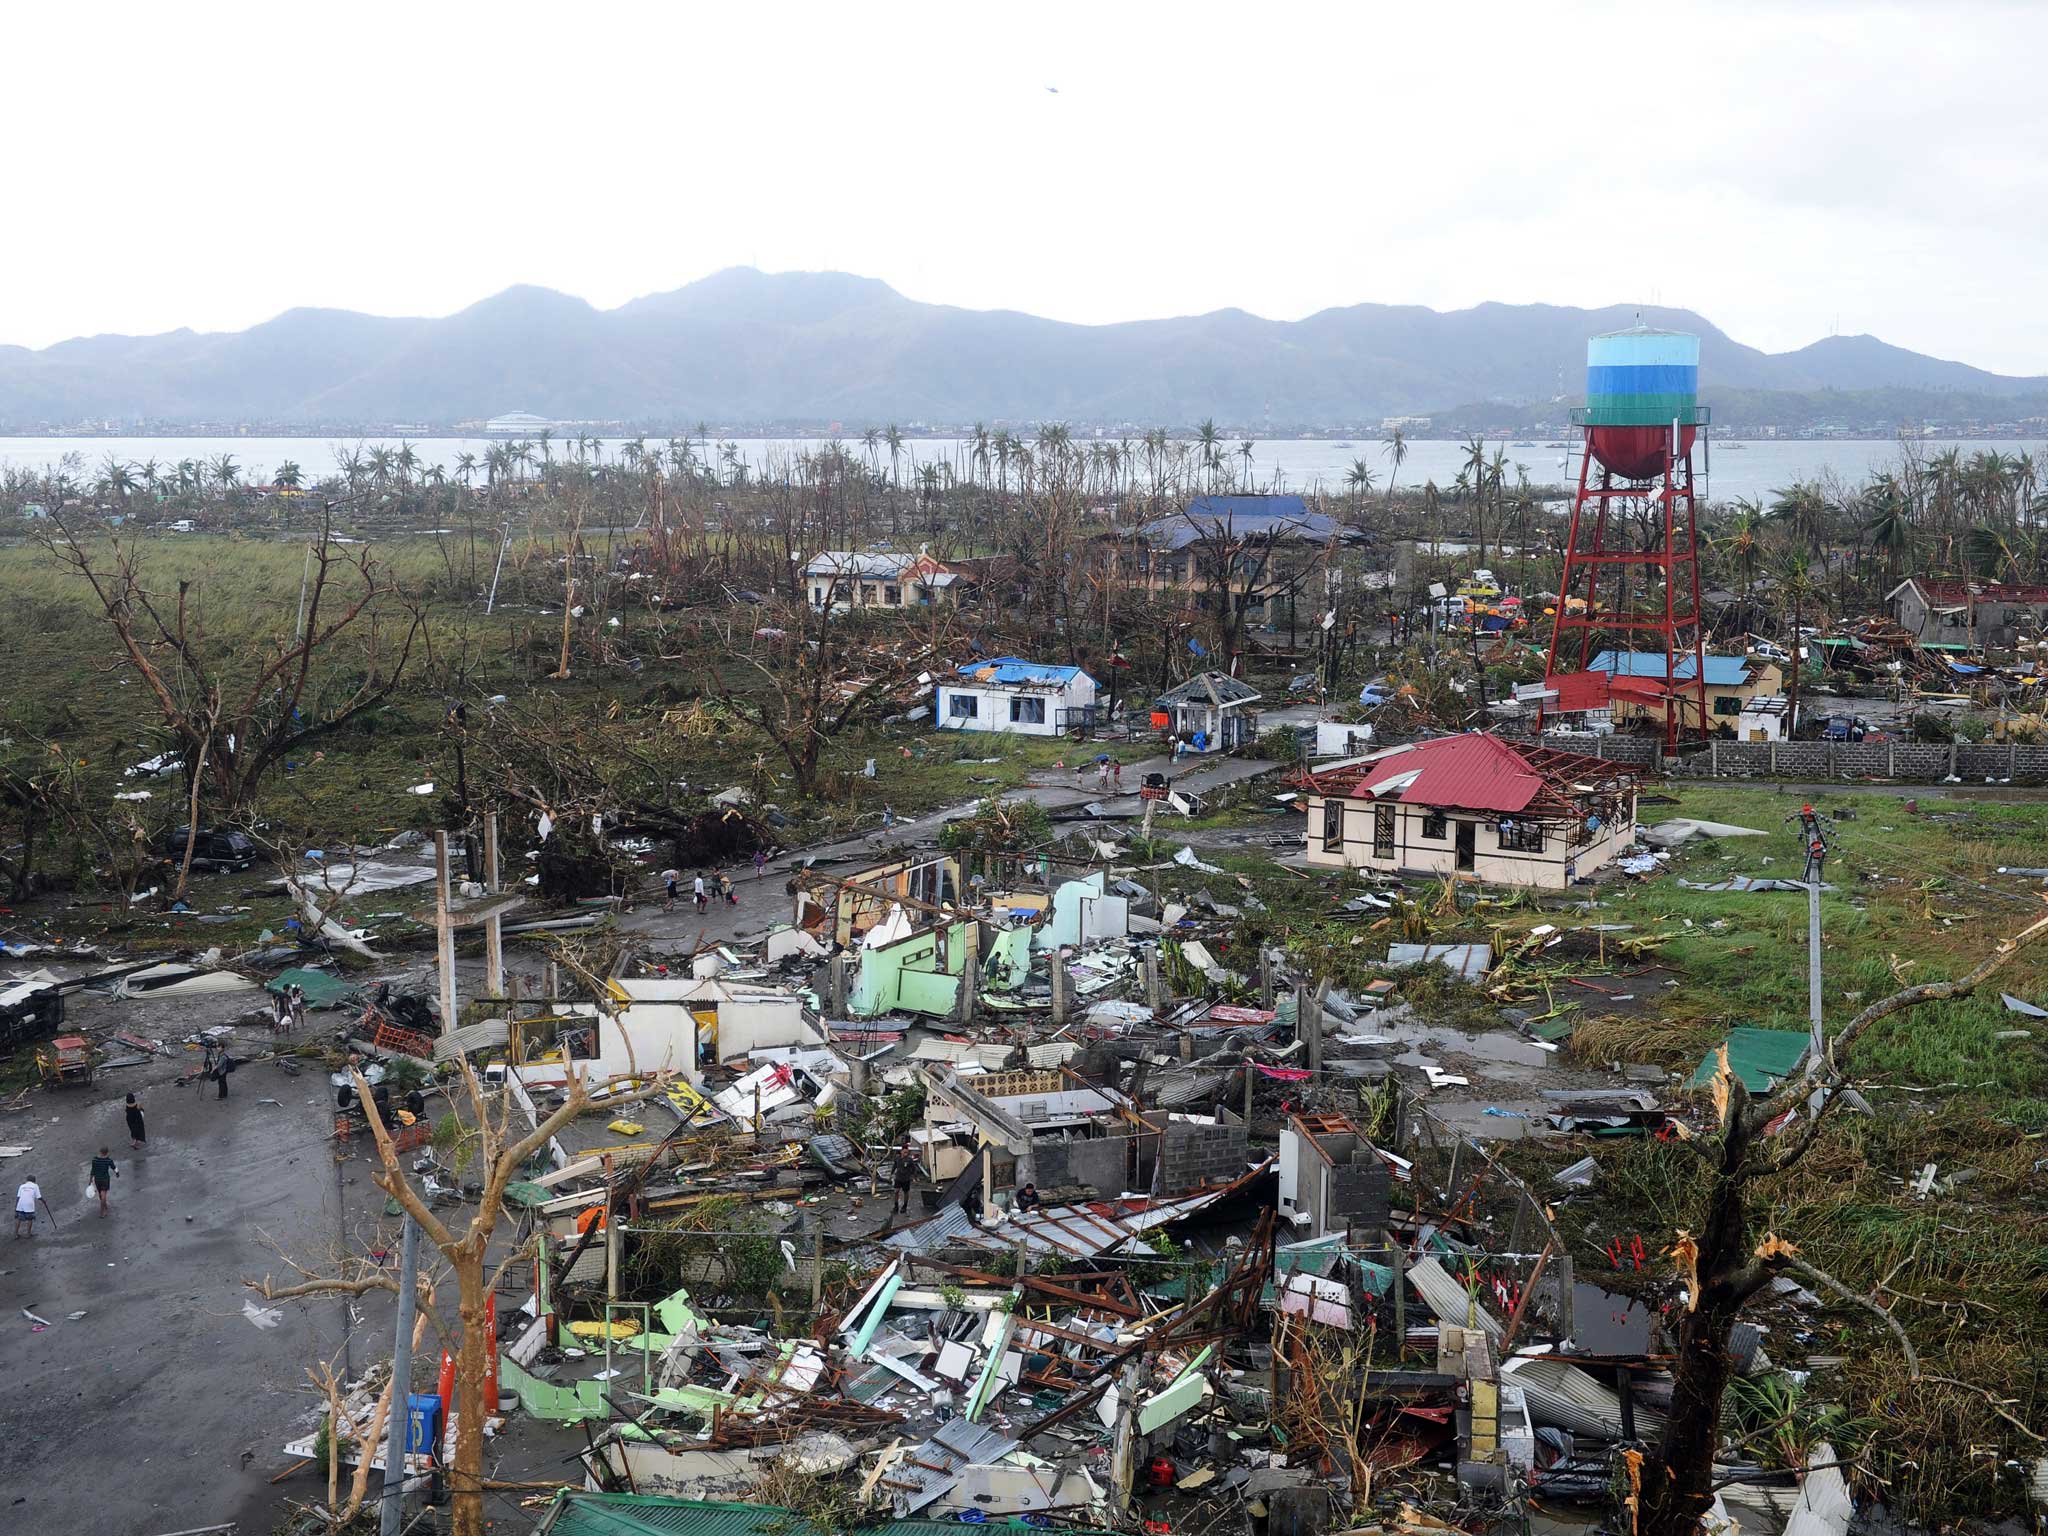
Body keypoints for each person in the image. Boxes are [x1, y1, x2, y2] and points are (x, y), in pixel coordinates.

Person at [891, 1140, 920, 1214]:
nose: (906, 1154)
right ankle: (896, 1206)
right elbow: (894, 1166)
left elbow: (914, 1169)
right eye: (904, 1152)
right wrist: (891, 1173)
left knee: (906, 1193)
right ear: (901, 1152)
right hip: (898, 1178)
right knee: (896, 1191)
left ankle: (904, 1206)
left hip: (906, 1179)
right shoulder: (897, 1158)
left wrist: (915, 1177)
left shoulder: (909, 1160)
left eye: (907, 1152)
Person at [88, 1147, 116, 1216]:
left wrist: (90, 1180)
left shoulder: (94, 1160)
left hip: (97, 1180)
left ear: (100, 1151)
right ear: (107, 1152)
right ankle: (102, 1211)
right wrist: (117, 1173)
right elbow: (114, 1167)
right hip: (105, 1179)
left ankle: (104, 1207)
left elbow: (93, 1170)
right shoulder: (108, 1160)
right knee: (103, 1195)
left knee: (101, 1194)